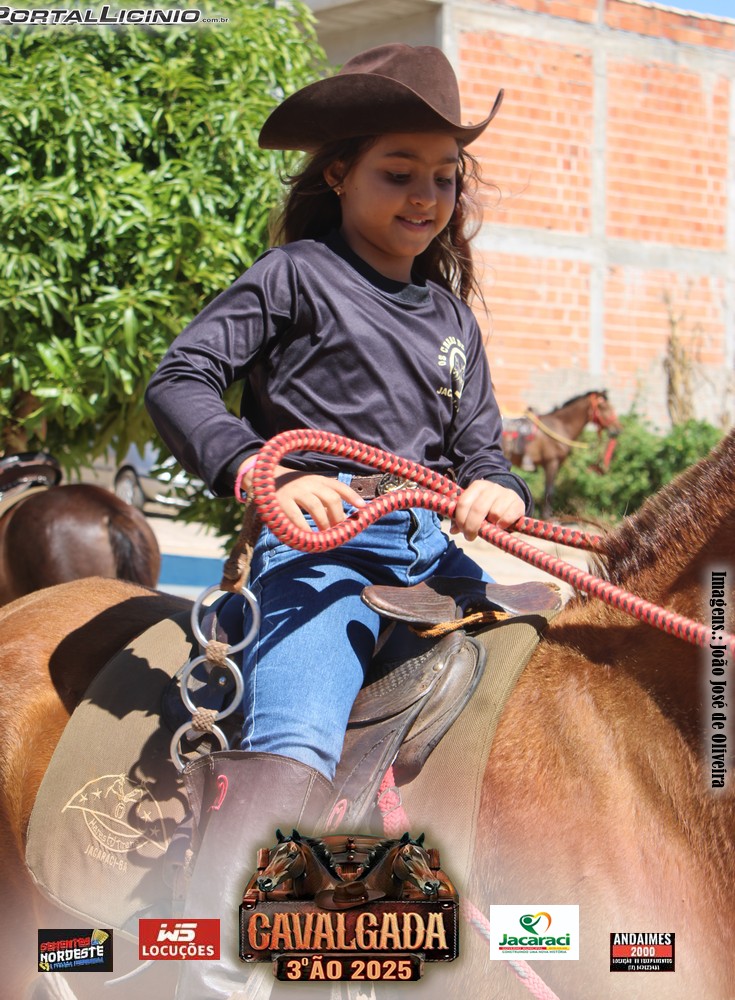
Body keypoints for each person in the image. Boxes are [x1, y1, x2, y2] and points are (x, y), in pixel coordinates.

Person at [145, 43, 532, 1000]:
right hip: (320, 559)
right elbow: (180, 377)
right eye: (398, 174)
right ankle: (212, 965)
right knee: (299, 734)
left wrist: (498, 490)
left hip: (434, 558)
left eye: (444, 178)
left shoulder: (451, 319)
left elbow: (478, 449)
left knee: (557, 669)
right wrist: (260, 469)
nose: (425, 197)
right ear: (337, 175)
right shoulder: (294, 276)